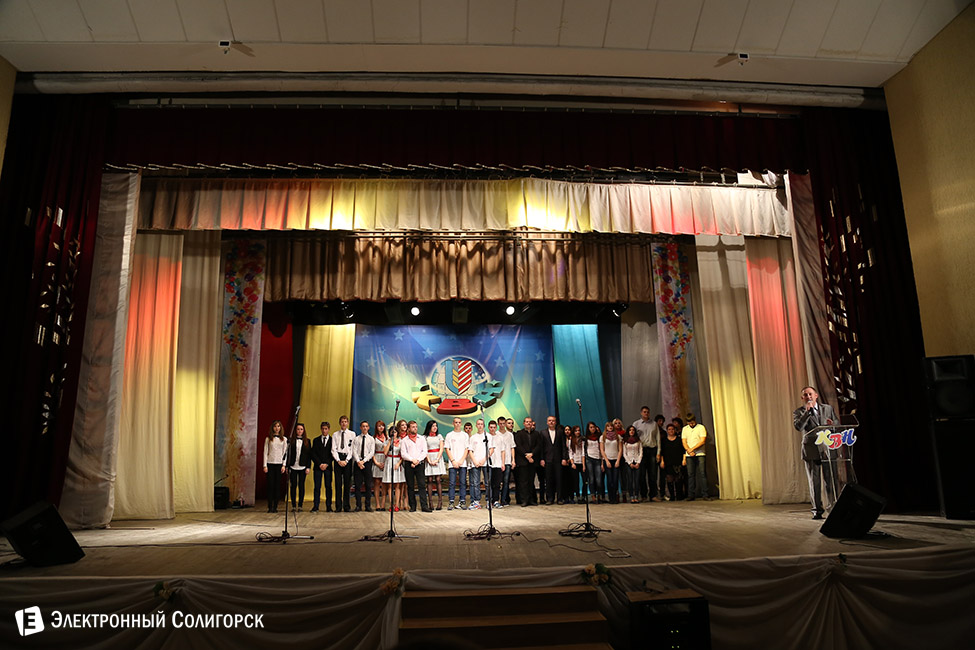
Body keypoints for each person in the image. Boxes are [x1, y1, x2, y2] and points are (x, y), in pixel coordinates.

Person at [793, 386, 837, 519]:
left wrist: (832, 424)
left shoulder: (827, 409)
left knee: (831, 480)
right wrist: (807, 413)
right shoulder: (799, 412)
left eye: (810, 394)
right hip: (811, 450)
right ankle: (817, 510)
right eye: (805, 395)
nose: (808, 397)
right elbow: (799, 427)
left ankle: (833, 508)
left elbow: (836, 423)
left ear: (816, 395)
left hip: (827, 448)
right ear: (802, 398)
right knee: (814, 482)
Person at [400, 420, 431, 512]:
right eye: (413, 427)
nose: (415, 428)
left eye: (416, 427)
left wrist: (417, 460)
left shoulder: (421, 438)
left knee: (422, 485)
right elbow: (403, 454)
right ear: (409, 429)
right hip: (409, 464)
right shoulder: (404, 440)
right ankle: (412, 506)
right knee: (410, 486)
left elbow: (424, 451)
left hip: (419, 463)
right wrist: (412, 460)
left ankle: (424, 506)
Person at [633, 406, 661, 501]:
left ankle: (653, 495)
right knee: (641, 474)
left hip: (652, 450)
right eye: (644, 412)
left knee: (653, 474)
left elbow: (658, 439)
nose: (646, 413)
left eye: (647, 412)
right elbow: (633, 438)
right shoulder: (636, 424)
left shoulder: (654, 424)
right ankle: (643, 495)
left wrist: (658, 453)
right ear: (641, 413)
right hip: (641, 451)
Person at [539, 415, 567, 504]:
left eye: (553, 421)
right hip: (547, 459)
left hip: (558, 459)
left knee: (559, 479)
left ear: (555, 422)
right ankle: (550, 499)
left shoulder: (560, 432)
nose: (551, 422)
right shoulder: (543, 433)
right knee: (548, 480)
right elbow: (541, 447)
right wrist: (542, 459)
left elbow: (563, 446)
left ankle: (559, 498)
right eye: (549, 421)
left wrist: (564, 458)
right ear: (547, 422)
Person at [682, 413, 709, 501]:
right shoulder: (685, 429)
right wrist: (688, 450)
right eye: (689, 422)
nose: (691, 424)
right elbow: (684, 441)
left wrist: (692, 449)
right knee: (690, 475)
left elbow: (702, 441)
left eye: (692, 422)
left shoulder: (701, 427)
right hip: (689, 454)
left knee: (702, 473)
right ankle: (691, 495)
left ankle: (705, 494)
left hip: (700, 453)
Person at [444, 417, 469, 510]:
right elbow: (447, 449)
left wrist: (462, 460)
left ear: (461, 423)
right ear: (453, 423)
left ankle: (462, 501)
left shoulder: (465, 435)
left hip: (463, 463)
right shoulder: (449, 435)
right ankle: (451, 502)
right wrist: (453, 460)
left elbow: (467, 449)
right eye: (456, 422)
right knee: (452, 483)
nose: (457, 424)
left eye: (459, 422)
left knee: (463, 483)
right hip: (452, 463)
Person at [262, 420, 287, 513]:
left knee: (277, 486)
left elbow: (285, 453)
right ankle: (270, 506)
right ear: (272, 428)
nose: (277, 428)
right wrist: (265, 465)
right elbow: (265, 452)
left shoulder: (284, 439)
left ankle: (275, 506)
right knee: (270, 485)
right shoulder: (268, 439)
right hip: (270, 464)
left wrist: (284, 465)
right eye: (275, 426)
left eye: (278, 426)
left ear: (281, 428)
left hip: (279, 464)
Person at [331, 415, 355, 512]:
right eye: (342, 422)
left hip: (347, 459)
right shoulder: (335, 434)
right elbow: (333, 449)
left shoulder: (352, 434)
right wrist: (338, 460)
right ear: (340, 423)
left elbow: (352, 449)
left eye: (345, 421)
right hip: (338, 459)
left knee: (347, 483)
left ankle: (346, 506)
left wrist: (346, 460)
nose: (344, 423)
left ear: (348, 423)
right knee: (338, 483)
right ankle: (338, 506)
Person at [467, 418, 492, 510]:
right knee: (476, 483)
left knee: (487, 483)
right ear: (476, 426)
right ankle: (477, 502)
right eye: (478, 424)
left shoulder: (488, 436)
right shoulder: (473, 437)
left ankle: (489, 501)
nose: (480, 426)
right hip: (475, 463)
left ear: (484, 425)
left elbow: (491, 449)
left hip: (486, 462)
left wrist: (484, 459)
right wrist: (474, 461)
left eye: (481, 424)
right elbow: (470, 450)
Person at [286, 423, 311, 511]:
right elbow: (288, 454)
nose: (299, 431)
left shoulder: (307, 441)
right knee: (293, 486)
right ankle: (293, 505)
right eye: (298, 429)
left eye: (301, 429)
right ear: (295, 430)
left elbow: (309, 455)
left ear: (303, 431)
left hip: (302, 466)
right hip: (293, 466)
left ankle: (300, 505)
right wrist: (287, 466)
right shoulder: (290, 441)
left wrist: (308, 467)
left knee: (301, 486)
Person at [514, 416, 538, 506]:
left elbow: (538, 445)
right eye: (527, 422)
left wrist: (532, 454)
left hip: (533, 460)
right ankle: (524, 500)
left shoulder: (536, 434)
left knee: (531, 481)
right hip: (522, 461)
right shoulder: (519, 434)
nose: (528, 423)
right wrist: (526, 455)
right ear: (524, 423)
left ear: (532, 423)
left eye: (530, 422)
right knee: (523, 482)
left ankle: (531, 500)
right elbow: (518, 446)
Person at [352, 420, 375, 512]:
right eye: (363, 426)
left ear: (368, 428)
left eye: (366, 426)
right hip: (358, 463)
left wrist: (364, 461)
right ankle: (358, 505)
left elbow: (372, 452)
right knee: (357, 485)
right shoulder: (356, 439)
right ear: (360, 428)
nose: (365, 428)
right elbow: (354, 451)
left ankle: (368, 505)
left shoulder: (371, 439)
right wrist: (358, 461)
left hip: (367, 462)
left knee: (368, 485)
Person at [659, 423, 686, 501]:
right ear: (667, 431)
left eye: (672, 429)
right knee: (669, 479)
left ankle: (679, 495)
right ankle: (672, 496)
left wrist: (684, 459)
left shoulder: (679, 440)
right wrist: (662, 461)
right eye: (669, 429)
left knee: (678, 479)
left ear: (675, 430)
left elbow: (683, 451)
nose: (671, 431)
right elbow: (662, 452)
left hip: (678, 461)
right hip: (668, 462)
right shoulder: (664, 441)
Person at [310, 421, 333, 513]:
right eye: (323, 429)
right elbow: (313, 454)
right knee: (317, 487)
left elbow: (333, 454)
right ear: (321, 429)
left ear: (329, 429)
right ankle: (316, 506)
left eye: (326, 429)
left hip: (328, 467)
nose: (324, 431)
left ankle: (329, 506)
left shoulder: (332, 440)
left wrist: (326, 464)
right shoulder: (316, 440)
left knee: (328, 487)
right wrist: (319, 464)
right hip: (318, 467)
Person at [383, 423, 406, 512]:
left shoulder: (401, 441)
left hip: (397, 461)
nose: (394, 433)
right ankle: (391, 504)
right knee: (390, 484)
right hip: (389, 461)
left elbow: (403, 454)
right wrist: (390, 442)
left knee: (397, 485)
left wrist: (399, 463)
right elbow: (385, 452)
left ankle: (397, 504)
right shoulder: (387, 441)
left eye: (395, 432)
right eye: (392, 432)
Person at [423, 420, 446, 510]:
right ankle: (430, 502)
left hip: (437, 457)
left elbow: (441, 449)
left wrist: (437, 459)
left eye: (436, 426)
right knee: (429, 480)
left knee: (438, 479)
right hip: (429, 457)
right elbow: (424, 450)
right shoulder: (425, 437)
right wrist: (429, 460)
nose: (435, 427)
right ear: (429, 427)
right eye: (433, 426)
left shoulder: (439, 436)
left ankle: (440, 502)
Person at [601, 422, 622, 504]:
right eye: (608, 426)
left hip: (615, 459)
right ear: (606, 427)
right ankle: (611, 498)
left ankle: (615, 497)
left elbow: (620, 449)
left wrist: (618, 460)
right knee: (610, 480)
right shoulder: (603, 437)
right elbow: (602, 450)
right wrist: (606, 461)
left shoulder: (618, 437)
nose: (610, 427)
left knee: (615, 479)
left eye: (611, 426)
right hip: (607, 460)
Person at [487, 420, 506, 508]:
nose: (492, 429)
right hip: (489, 464)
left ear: (496, 427)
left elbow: (503, 451)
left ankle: (496, 500)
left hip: (498, 463)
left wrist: (503, 463)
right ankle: (489, 500)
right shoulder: (486, 437)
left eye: (494, 427)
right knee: (489, 483)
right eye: (491, 427)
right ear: (488, 427)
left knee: (497, 484)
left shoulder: (500, 438)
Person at [622, 426, 643, 503]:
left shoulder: (638, 441)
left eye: (633, 430)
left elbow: (641, 452)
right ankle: (631, 496)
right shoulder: (625, 441)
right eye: (630, 430)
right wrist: (629, 463)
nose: (631, 431)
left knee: (637, 480)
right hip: (629, 462)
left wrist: (638, 462)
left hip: (637, 461)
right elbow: (624, 453)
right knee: (630, 480)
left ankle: (636, 496)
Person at [583, 422, 604, 503]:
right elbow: (583, 450)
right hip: (589, 459)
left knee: (599, 479)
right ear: (588, 428)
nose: (592, 429)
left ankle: (599, 495)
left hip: (598, 459)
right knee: (591, 479)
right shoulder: (586, 438)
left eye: (593, 427)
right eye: (591, 427)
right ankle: (593, 495)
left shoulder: (599, 437)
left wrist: (602, 462)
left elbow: (601, 450)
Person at [564, 425, 585, 504]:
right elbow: (570, 452)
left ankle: (584, 496)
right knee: (576, 481)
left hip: (581, 462)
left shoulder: (582, 440)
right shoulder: (571, 440)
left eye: (579, 430)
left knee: (585, 480)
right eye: (576, 431)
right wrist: (572, 463)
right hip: (574, 462)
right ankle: (578, 496)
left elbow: (583, 453)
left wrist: (583, 465)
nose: (578, 432)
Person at [500, 418, 516, 506]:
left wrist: (513, 460)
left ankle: (504, 500)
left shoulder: (510, 435)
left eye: (503, 423)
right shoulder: (496, 434)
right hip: (498, 462)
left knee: (506, 482)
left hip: (508, 461)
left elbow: (512, 447)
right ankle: (495, 499)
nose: (502, 425)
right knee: (498, 482)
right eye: (500, 423)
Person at [372, 420, 388, 511]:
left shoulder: (387, 437)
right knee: (377, 482)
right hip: (377, 459)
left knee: (384, 483)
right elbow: (372, 452)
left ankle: (383, 504)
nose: (381, 427)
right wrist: (376, 463)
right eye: (379, 426)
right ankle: (377, 504)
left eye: (382, 426)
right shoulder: (373, 438)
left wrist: (386, 462)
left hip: (386, 459)